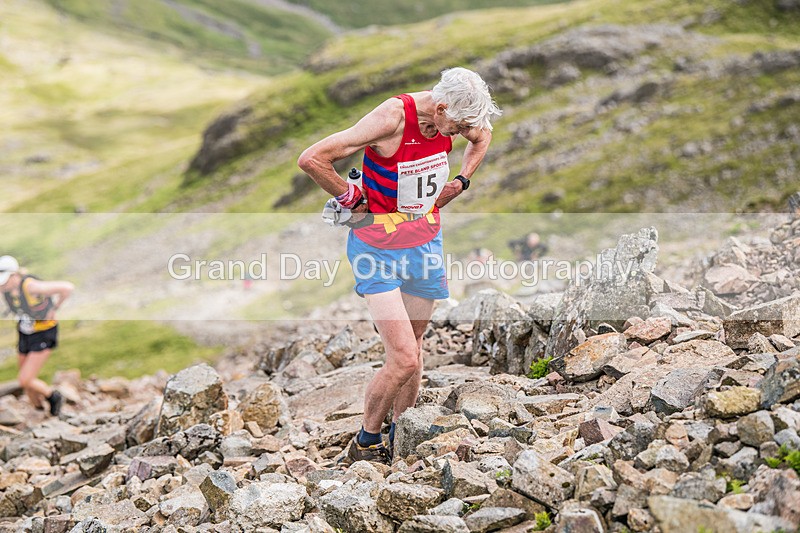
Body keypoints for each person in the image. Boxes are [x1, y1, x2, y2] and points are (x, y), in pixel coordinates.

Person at [298, 67, 501, 464]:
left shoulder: (456, 115)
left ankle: (401, 431)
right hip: (377, 249)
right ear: (440, 109)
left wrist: (461, 182)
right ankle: (366, 441)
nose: (462, 134)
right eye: (458, 127)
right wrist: (350, 199)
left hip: (424, 243)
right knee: (405, 357)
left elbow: (483, 136)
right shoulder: (392, 118)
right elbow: (312, 159)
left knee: (416, 347)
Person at [0, 255, 73, 416]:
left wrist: (55, 309)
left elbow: (67, 288)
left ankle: (53, 396)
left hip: (43, 334)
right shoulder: (7, 290)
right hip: (25, 332)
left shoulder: (31, 286)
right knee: (25, 379)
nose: (2, 286)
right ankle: (38, 409)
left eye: (4, 281)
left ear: (14, 275)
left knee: (25, 379)